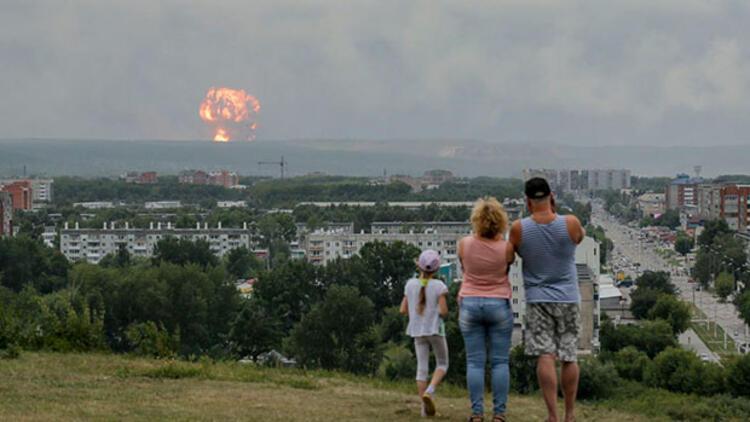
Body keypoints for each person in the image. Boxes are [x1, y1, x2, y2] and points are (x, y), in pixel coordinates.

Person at [509, 177, 586, 422]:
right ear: (551, 196)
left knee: (545, 356)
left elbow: (510, 254)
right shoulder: (571, 223)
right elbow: (579, 237)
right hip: (568, 298)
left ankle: (552, 415)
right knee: (569, 356)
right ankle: (570, 414)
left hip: (537, 299)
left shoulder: (519, 228)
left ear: (527, 200)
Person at [457, 197, 515, 422]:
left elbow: (464, 267)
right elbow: (506, 269)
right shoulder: (506, 248)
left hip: (470, 304)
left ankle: (477, 413)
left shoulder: (464, 244)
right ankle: (499, 414)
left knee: (475, 362)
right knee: (500, 362)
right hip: (498, 304)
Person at [400, 249, 449, 417]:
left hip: (417, 331)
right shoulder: (440, 286)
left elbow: (403, 309)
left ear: (419, 266)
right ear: (436, 269)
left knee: (421, 369)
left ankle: (424, 410)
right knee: (442, 364)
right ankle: (431, 390)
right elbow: (443, 311)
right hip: (435, 329)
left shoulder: (410, 284)